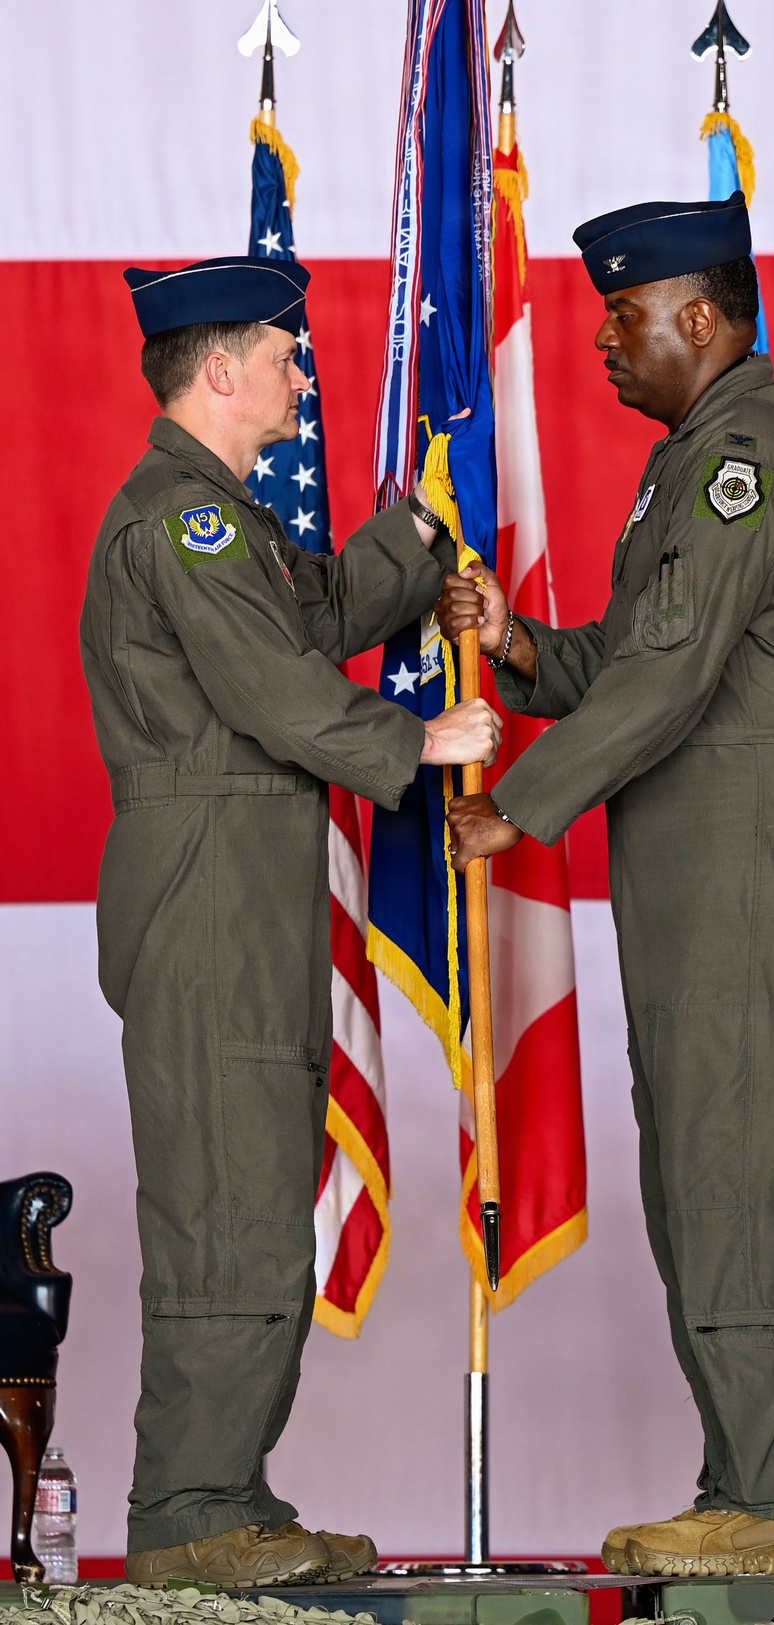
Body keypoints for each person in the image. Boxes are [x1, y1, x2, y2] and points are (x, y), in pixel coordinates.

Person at [439, 195, 774, 1578]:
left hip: (749, 853)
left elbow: (674, 679)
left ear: (700, 317)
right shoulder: (697, 459)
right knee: (705, 1167)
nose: (601, 342)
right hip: (709, 854)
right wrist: (519, 646)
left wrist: (518, 804)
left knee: (741, 1162)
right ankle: (749, 1478)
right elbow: (650, 657)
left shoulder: (743, 458)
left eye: (623, 318)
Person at [79, 256, 501, 1588]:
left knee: (256, 1195)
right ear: (220, 371)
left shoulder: (227, 521)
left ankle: (222, 1490)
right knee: (227, 1203)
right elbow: (271, 679)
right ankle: (191, 1510)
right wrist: (415, 737)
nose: (303, 374)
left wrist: (419, 531)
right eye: (284, 353)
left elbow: (310, 613)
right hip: (211, 890)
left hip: (238, 893)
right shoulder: (181, 523)